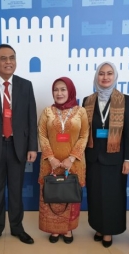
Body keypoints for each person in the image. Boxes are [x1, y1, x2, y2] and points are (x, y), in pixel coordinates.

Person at [0, 44, 38, 247]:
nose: (8, 62)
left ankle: (17, 228)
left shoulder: (25, 85)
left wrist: (32, 147)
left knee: (17, 191)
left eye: (11, 57)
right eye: (3, 58)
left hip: (18, 146)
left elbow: (31, 117)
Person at [82, 62, 129, 248]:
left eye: (109, 73)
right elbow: (84, 132)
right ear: (97, 77)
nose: (105, 77)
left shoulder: (125, 100)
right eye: (101, 73)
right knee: (95, 195)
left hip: (115, 159)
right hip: (93, 157)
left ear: (115, 76)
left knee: (113, 196)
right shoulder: (87, 100)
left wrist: (128, 159)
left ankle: (109, 231)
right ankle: (98, 226)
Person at [38, 77, 89, 244]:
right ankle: (53, 230)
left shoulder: (80, 111)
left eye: (63, 89)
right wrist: (51, 158)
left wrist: (72, 158)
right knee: (52, 193)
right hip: (50, 162)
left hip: (73, 163)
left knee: (69, 194)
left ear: (70, 91)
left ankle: (68, 229)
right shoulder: (47, 111)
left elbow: (84, 136)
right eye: (56, 90)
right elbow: (42, 135)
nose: (59, 93)